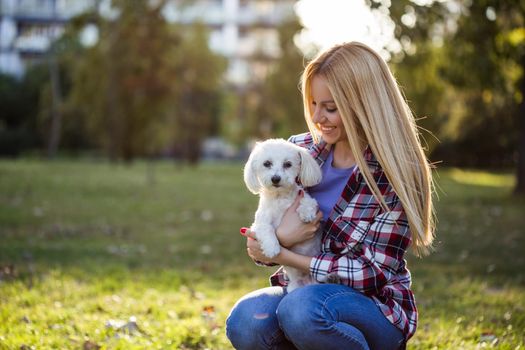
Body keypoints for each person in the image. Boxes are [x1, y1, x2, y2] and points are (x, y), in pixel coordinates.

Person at [226, 41, 435, 350]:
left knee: (301, 311)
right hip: (302, 291)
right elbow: (261, 244)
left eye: (330, 107)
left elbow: (372, 274)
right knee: (246, 319)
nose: (318, 117)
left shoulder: (396, 173)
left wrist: (283, 254)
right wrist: (275, 238)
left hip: (373, 307)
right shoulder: (300, 150)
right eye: (313, 104)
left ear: (364, 104)